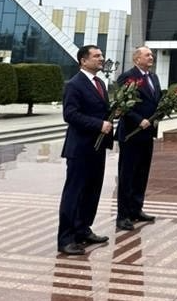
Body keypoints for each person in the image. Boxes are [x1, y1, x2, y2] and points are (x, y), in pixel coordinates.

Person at [57, 45, 113, 255]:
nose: (101, 58)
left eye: (101, 55)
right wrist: (98, 125)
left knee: (92, 192)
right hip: (80, 148)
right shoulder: (74, 84)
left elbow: (100, 110)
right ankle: (66, 239)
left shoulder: (100, 83)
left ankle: (83, 229)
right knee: (74, 193)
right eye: (96, 56)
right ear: (83, 60)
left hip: (97, 148)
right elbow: (70, 115)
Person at [115, 45, 161, 231]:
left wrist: (161, 113)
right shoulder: (127, 77)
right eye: (147, 55)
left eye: (151, 55)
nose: (151, 57)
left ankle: (136, 209)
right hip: (131, 134)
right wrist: (138, 120)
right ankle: (123, 215)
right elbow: (123, 104)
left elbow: (156, 101)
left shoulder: (153, 77)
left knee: (142, 173)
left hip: (148, 134)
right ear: (137, 59)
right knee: (128, 175)